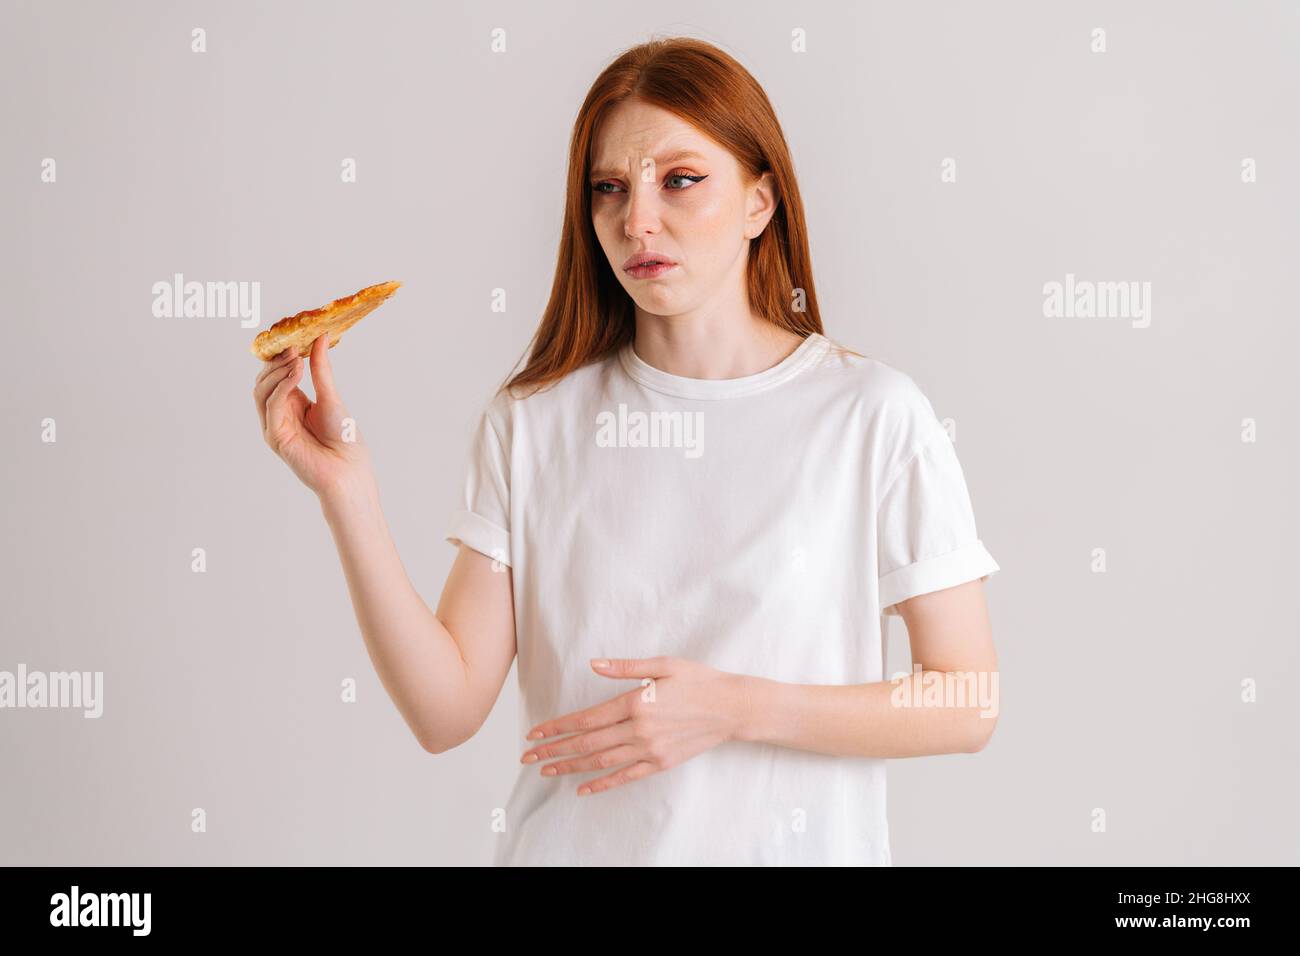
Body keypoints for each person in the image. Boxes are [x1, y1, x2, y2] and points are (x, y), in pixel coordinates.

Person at [253, 36, 1000, 866]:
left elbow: (967, 701)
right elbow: (444, 712)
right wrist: (346, 494)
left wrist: (738, 707)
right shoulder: (532, 420)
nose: (637, 218)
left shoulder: (872, 416)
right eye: (610, 187)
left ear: (760, 201)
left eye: (681, 179)